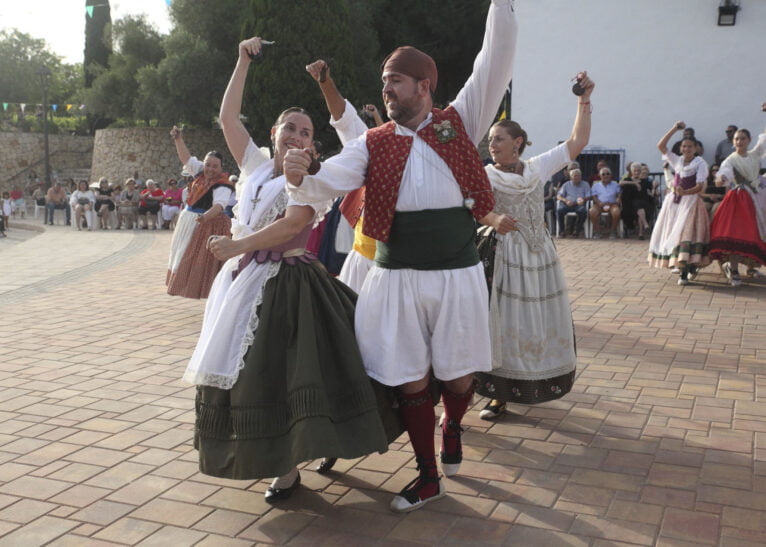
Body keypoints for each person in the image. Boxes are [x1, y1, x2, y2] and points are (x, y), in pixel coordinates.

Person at [285, 0, 518, 513]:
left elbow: (495, 58)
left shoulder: (461, 121)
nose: (386, 89)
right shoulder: (373, 143)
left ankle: (453, 424)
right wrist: (301, 176)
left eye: (396, 81)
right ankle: (427, 475)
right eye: (384, 81)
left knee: (458, 376)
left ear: (424, 86)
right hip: (394, 278)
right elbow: (330, 181)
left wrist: (503, 4)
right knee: (409, 377)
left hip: (456, 275)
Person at [184, 37, 390, 504]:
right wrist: (241, 61)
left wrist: (238, 244)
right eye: (290, 128)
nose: (297, 136)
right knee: (246, 374)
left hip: (290, 284)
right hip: (242, 284)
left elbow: (293, 225)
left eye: (305, 132)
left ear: (312, 145)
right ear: (275, 133)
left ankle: (287, 467)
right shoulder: (254, 166)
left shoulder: (315, 182)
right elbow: (228, 118)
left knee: (284, 374)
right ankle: (283, 458)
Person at [473, 74, 592, 420]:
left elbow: (577, 141)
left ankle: (530, 384)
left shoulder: (537, 167)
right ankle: (496, 394)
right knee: (503, 323)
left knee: (535, 322)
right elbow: (469, 206)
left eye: (499, 139)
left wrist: (583, 100)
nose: (492, 144)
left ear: (518, 142)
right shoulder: (485, 174)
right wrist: (493, 218)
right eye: (491, 139)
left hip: (540, 256)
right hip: (503, 255)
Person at [305, 58, 377, 293]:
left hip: (404, 269)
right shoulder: (376, 145)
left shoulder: (430, 153)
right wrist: (325, 83)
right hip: (363, 256)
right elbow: (347, 122)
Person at [166, 129, 235, 299]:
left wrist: (204, 217)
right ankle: (182, 283)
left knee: (196, 258)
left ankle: (198, 287)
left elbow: (219, 206)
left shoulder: (222, 185)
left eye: (214, 166)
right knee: (182, 252)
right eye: (208, 164)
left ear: (221, 167)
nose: (210, 168)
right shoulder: (199, 173)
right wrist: (178, 139)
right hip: (189, 218)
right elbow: (186, 158)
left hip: (207, 223)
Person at [649, 121, 711, 285]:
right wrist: (675, 129)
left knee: (686, 235)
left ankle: (685, 270)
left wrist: (686, 192)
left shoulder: (700, 163)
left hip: (691, 203)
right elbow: (661, 145)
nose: (686, 149)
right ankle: (678, 265)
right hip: (675, 203)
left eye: (690, 146)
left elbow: (699, 186)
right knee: (673, 233)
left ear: (696, 148)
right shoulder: (677, 160)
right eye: (684, 146)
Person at [709, 125, 766, 286]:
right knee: (738, 233)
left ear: (749, 140)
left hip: (758, 197)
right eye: (736, 139)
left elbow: (765, 140)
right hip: (740, 200)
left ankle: (752, 266)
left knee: (757, 233)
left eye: (742, 138)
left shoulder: (755, 155)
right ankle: (734, 270)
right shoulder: (731, 159)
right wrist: (720, 179)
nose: (739, 141)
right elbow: (724, 173)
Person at [619, 162, 654, 239]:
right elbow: (621, 183)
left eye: (638, 170)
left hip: (643, 203)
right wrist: (634, 183)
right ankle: (643, 229)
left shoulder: (644, 181)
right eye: (635, 171)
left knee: (640, 207)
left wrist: (654, 186)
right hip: (629, 205)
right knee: (638, 206)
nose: (636, 172)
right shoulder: (627, 179)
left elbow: (651, 188)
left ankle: (641, 232)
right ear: (631, 171)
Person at [556, 168, 590, 237]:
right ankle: (562, 231)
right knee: (560, 210)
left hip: (579, 204)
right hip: (568, 204)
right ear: (571, 177)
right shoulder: (566, 184)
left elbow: (589, 196)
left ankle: (576, 230)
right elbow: (558, 196)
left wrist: (583, 199)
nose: (577, 177)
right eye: (575, 176)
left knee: (583, 211)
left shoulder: (585, 184)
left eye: (578, 176)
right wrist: (566, 200)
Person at [589, 166, 622, 238]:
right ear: (600, 176)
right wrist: (599, 203)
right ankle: (597, 232)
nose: (606, 175)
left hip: (612, 204)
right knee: (592, 211)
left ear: (611, 175)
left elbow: (619, 193)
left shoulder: (615, 184)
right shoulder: (596, 185)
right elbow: (594, 196)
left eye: (608, 174)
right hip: (599, 204)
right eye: (603, 174)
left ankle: (612, 231)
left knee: (617, 212)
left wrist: (619, 198)